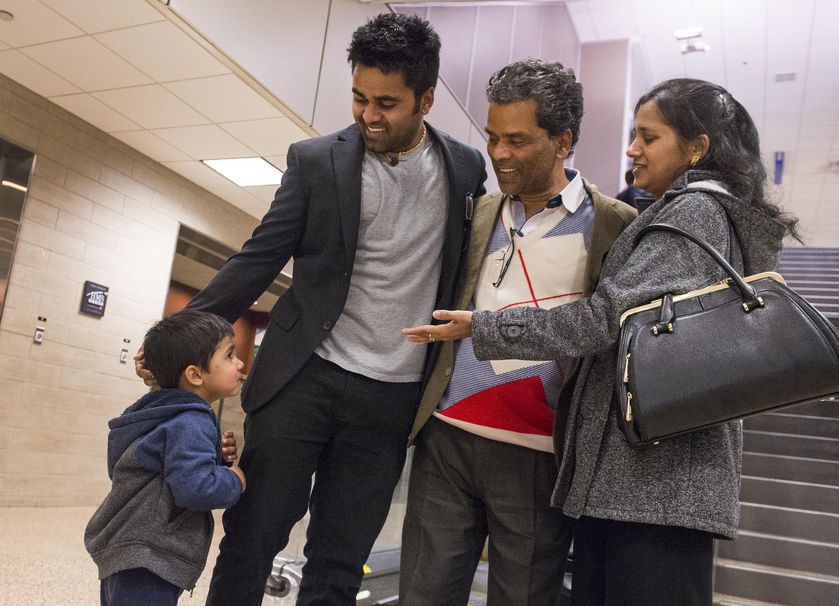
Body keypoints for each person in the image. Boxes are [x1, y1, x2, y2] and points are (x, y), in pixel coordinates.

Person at [135, 12, 487, 606]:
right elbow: (258, 259)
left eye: (387, 103)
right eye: (359, 98)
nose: (368, 115)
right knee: (251, 540)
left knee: (340, 560)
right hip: (303, 377)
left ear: (426, 99)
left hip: (392, 394)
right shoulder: (316, 160)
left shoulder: (466, 169)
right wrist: (172, 339)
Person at [403, 78, 800, 605]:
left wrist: (485, 327)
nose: (632, 149)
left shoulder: (687, 213)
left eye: (648, 137)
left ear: (697, 148)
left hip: (648, 478)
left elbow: (606, 318)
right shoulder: (690, 212)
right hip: (634, 474)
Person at [398, 59, 636, 605]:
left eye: (518, 140)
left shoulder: (614, 224)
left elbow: (608, 331)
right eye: (492, 137)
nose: (498, 153)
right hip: (446, 439)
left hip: (539, 454)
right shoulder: (477, 212)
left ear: (563, 142)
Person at [85, 310, 246, 606]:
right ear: (195, 375)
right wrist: (233, 479)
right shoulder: (192, 422)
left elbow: (161, 471)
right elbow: (195, 489)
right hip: (149, 557)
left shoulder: (160, 413)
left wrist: (216, 459)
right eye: (229, 355)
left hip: (128, 548)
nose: (240, 363)